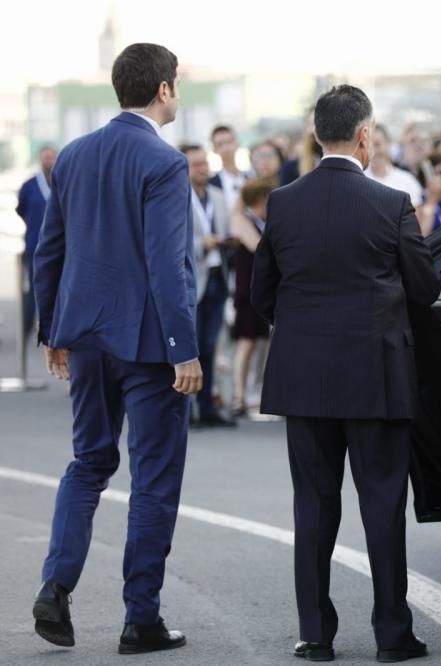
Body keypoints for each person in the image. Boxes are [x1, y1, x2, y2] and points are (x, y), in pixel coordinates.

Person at [251, 84, 439, 663]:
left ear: (315, 133)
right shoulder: (391, 203)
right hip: (376, 374)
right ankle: (392, 635)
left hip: (304, 375)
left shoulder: (282, 204)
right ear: (365, 135)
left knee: (313, 505)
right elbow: (426, 288)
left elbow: (263, 295)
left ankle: (315, 634)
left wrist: (307, 328)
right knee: (382, 506)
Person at [31, 42, 201, 654]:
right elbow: (168, 265)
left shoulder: (73, 156)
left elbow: (51, 248)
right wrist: (185, 348)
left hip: (87, 338)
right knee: (154, 478)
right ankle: (140, 618)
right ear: (162, 90)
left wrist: (53, 331)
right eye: (176, 83)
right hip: (151, 345)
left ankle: (56, 584)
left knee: (88, 462)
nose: (176, 92)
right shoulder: (164, 161)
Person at [181, 144, 236, 428]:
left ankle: (207, 405)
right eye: (196, 165)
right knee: (190, 346)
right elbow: (173, 239)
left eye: (204, 164)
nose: (202, 169)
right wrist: (202, 243)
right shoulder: (177, 196)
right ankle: (186, 408)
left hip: (217, 277)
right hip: (192, 280)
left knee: (210, 345)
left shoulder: (217, 195)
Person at [228, 178, 274, 417]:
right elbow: (257, 246)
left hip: (260, 289)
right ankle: (238, 396)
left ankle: (253, 395)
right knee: (246, 343)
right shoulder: (241, 219)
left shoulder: (263, 221)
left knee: (261, 343)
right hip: (247, 290)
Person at [15, 144, 57, 337]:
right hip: (34, 245)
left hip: (58, 247)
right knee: (34, 287)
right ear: (40, 160)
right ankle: (27, 329)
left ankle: (53, 328)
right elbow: (21, 209)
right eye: (45, 157)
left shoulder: (62, 182)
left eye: (51, 157)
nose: (48, 161)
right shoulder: (30, 186)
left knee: (57, 288)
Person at [365, 124, 423, 207]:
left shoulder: (408, 180)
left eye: (377, 145)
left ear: (388, 145)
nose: (373, 151)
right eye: (368, 146)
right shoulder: (358, 179)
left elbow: (416, 216)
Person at [208, 125, 248, 213]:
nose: (226, 148)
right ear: (214, 149)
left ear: (237, 144)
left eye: (229, 142)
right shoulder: (211, 184)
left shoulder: (251, 178)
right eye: (220, 144)